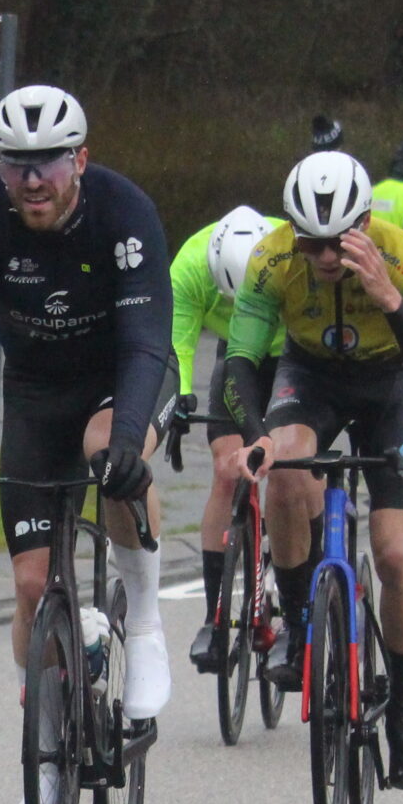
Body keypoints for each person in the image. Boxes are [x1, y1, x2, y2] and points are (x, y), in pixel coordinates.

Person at [0, 85, 174, 804]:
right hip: (36, 395)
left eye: (50, 164)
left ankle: (146, 618)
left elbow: (147, 337)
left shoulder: (124, 212)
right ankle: (43, 768)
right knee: (33, 585)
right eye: (15, 164)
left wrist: (128, 438)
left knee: (109, 456)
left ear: (81, 160)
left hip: (122, 377)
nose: (32, 180)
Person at [225, 151, 403, 789]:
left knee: (394, 553)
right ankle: (302, 626)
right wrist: (255, 435)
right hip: (311, 378)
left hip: (391, 386)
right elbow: (240, 360)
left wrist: (391, 300)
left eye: (339, 242)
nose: (326, 257)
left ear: (364, 225)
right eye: (312, 242)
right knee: (286, 469)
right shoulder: (271, 258)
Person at [170, 205, 276, 671]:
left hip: (289, 353)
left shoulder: (292, 253)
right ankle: (215, 618)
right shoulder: (189, 267)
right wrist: (178, 398)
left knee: (290, 471)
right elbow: (178, 343)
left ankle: (294, 600)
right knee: (226, 469)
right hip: (234, 355)